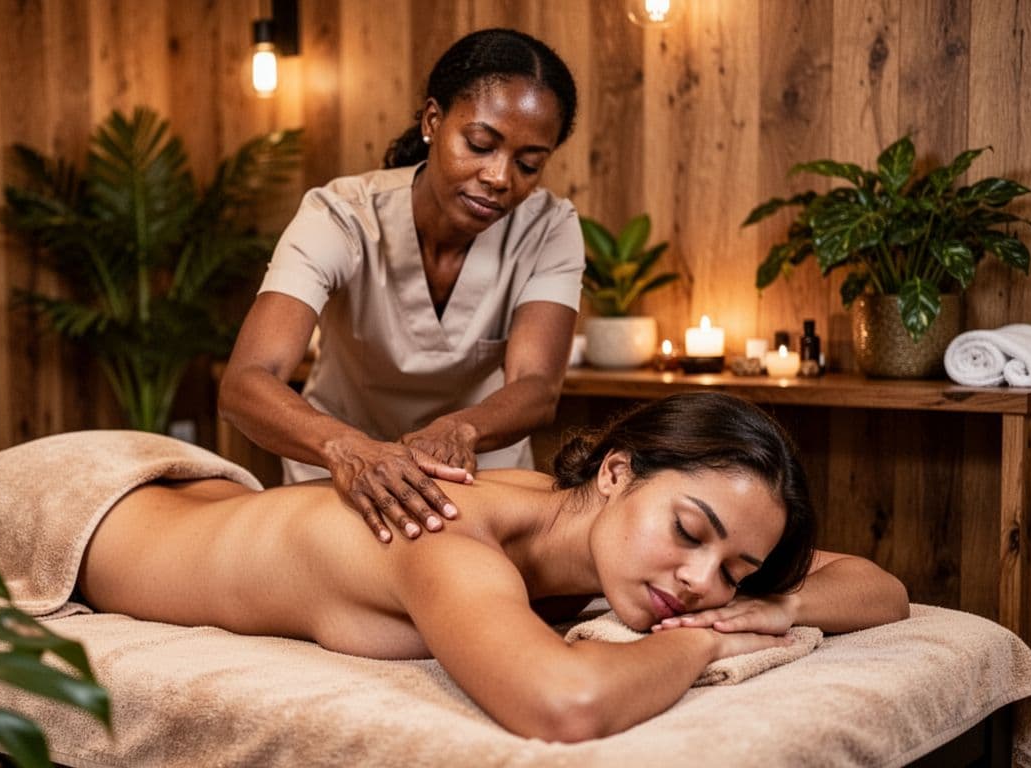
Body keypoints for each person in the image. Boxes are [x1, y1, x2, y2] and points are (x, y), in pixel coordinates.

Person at [78, 392, 910, 742]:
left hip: (213, 505)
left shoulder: (592, 528)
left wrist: (782, 605)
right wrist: (709, 642)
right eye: (691, 531)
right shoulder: (444, 531)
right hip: (91, 511)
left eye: (737, 571)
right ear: (618, 472)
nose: (703, 583)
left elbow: (885, 589)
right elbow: (565, 702)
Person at [217, 28, 586, 544]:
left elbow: (537, 387)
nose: (500, 177)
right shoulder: (341, 215)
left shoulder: (549, 227)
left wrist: (462, 430)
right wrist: (348, 449)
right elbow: (246, 382)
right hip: (336, 470)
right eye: (480, 145)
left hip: (479, 471)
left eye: (529, 164)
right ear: (433, 121)